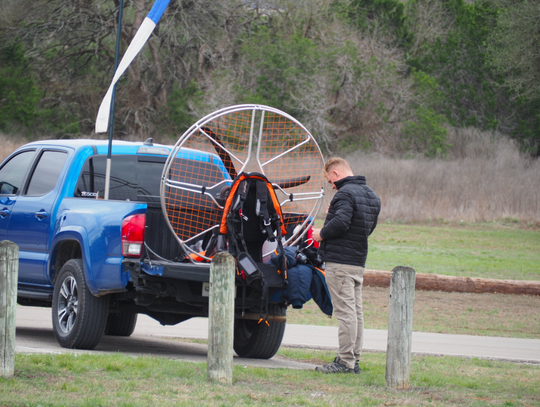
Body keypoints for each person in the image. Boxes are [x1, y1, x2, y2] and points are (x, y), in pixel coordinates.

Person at [312, 157, 381, 374]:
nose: (331, 186)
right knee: (356, 313)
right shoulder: (371, 195)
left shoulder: (344, 194)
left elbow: (341, 223)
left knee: (345, 313)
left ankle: (344, 362)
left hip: (340, 263)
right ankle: (353, 359)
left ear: (336, 174)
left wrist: (320, 234)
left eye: (330, 181)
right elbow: (367, 227)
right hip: (358, 261)